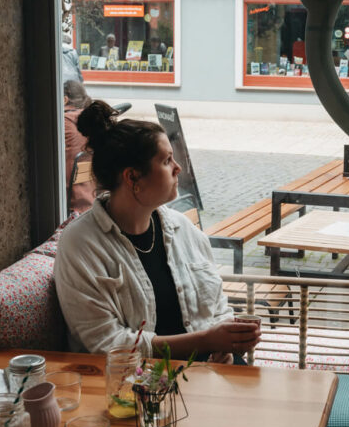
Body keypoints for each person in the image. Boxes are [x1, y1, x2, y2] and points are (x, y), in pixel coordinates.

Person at [54, 100, 262, 362]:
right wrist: (206, 341)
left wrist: (229, 341)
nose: (178, 168)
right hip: (139, 385)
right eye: (166, 160)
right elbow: (107, 343)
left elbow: (217, 306)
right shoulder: (81, 245)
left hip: (212, 370)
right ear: (133, 178)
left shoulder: (183, 229)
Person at [63, 79, 95, 215]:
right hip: (90, 198)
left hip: (69, 201)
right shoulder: (92, 122)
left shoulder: (63, 122)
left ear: (64, 100)